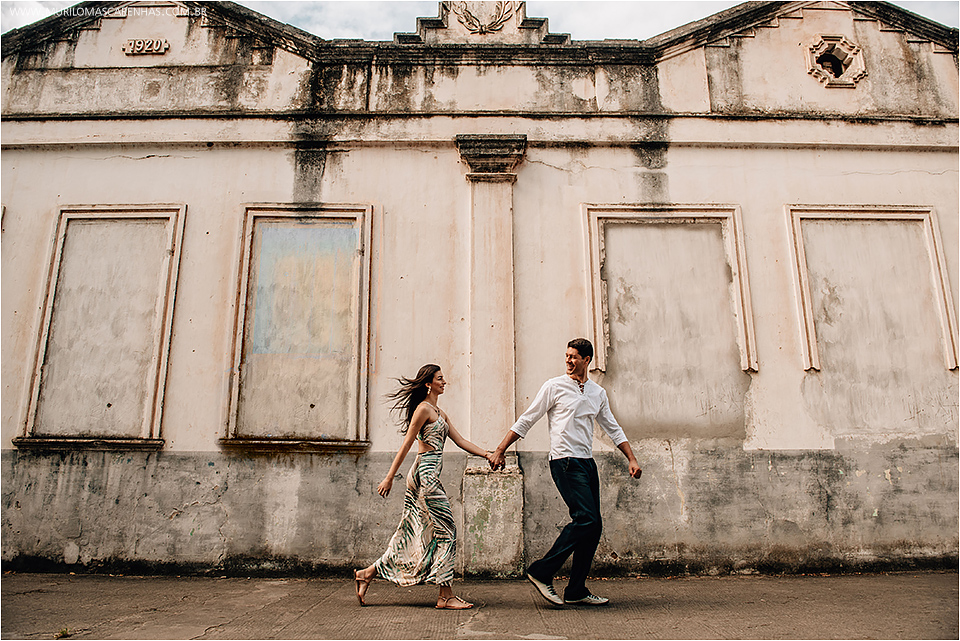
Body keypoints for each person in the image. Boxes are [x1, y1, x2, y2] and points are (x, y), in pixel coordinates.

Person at [490, 338, 642, 607]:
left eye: (574, 357)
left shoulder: (597, 393)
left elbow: (612, 427)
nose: (569, 361)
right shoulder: (554, 386)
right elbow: (528, 418)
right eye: (567, 356)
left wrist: (631, 458)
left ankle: (576, 590)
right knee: (585, 518)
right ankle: (541, 571)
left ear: (587, 360)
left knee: (593, 526)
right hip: (564, 461)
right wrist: (501, 449)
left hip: (586, 463)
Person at [354, 364, 496, 609]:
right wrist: (389, 477)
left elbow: (460, 440)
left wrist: (488, 454)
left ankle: (367, 573)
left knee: (413, 532)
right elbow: (407, 443)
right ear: (428, 383)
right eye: (440, 378)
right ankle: (445, 596)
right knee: (447, 531)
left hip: (430, 476)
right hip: (425, 476)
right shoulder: (423, 409)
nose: (444, 381)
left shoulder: (439, 412)